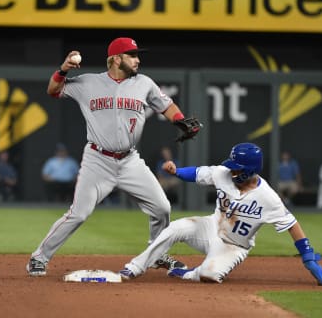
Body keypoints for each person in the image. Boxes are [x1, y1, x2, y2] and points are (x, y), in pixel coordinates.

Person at [26, 37, 201, 276]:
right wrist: (63, 69)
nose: (137, 60)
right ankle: (39, 257)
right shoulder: (88, 82)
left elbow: (166, 105)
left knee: (161, 207)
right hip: (98, 160)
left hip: (130, 161)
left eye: (137, 55)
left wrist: (179, 120)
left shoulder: (144, 83)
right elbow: (53, 91)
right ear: (116, 59)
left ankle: (156, 255)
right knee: (78, 214)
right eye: (132, 55)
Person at [119, 143, 322, 286]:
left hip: (234, 245)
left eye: (237, 168)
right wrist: (177, 172)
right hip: (211, 227)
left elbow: (292, 224)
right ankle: (135, 267)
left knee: (209, 275)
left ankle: (190, 273)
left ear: (250, 169)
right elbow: (198, 173)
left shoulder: (269, 198)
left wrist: (308, 256)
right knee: (175, 227)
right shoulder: (223, 173)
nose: (232, 171)